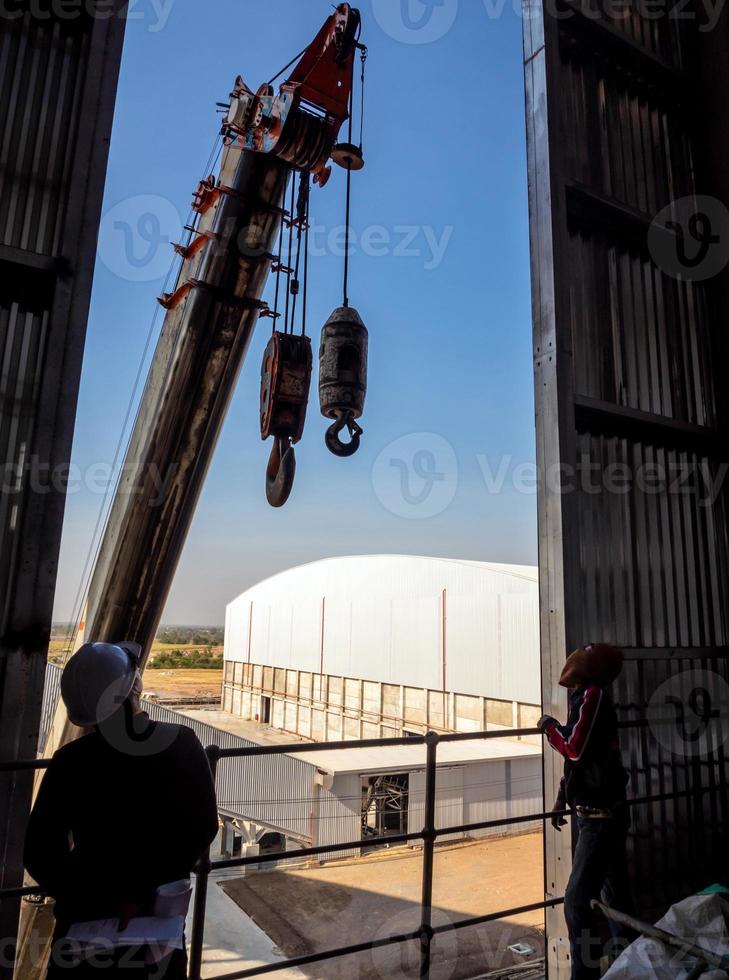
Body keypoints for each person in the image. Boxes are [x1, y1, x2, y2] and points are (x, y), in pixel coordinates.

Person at [24, 642, 219, 979]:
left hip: (85, 929)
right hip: (158, 925)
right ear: (135, 687)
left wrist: (100, 896)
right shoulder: (182, 744)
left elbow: (40, 854)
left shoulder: (70, 763)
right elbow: (203, 828)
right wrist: (143, 891)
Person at [537, 642, 635, 980]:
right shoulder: (584, 696)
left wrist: (549, 727)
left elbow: (574, 749)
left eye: (584, 654)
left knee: (577, 903)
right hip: (599, 813)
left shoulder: (592, 695)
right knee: (615, 898)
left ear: (590, 668)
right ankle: (633, 964)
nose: (574, 657)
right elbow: (580, 759)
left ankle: (585, 975)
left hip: (600, 819)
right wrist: (562, 798)